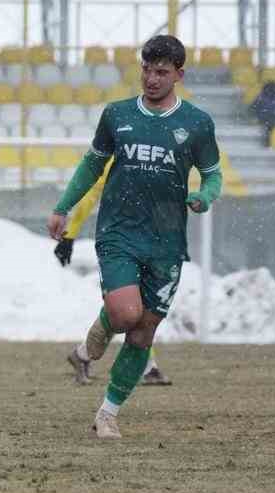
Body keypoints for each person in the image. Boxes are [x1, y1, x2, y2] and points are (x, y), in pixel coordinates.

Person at [47, 34, 221, 440]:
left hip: (167, 240)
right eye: (147, 69)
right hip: (119, 232)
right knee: (126, 315)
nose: (152, 78)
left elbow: (213, 175)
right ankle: (97, 336)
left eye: (161, 71)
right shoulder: (117, 115)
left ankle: (107, 414)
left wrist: (204, 196)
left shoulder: (197, 123)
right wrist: (63, 207)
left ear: (178, 75)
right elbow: (92, 166)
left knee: (143, 332)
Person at [55, 161, 172, 388]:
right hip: (117, 243)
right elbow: (91, 194)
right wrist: (69, 235)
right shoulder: (119, 157)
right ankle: (147, 367)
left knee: (136, 306)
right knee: (128, 306)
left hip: (147, 240)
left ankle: (83, 355)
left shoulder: (157, 158)